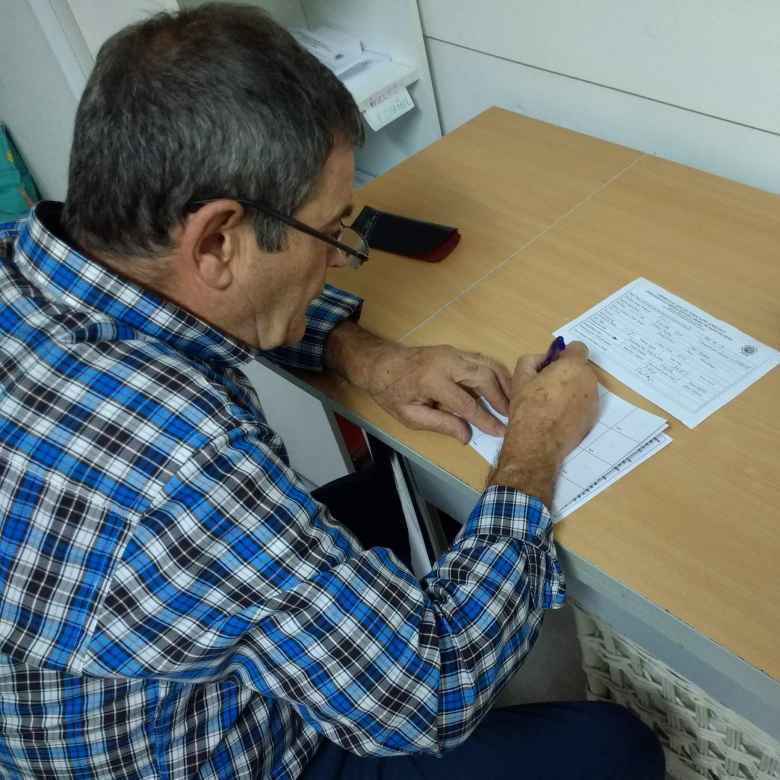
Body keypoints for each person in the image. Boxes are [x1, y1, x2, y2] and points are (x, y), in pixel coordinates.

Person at [0, 4, 664, 778]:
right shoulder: (183, 470)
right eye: (330, 231)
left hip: (93, 702)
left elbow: (205, 310)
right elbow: (430, 691)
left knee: (377, 520)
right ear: (217, 240)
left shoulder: (29, 262)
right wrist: (533, 448)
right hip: (235, 754)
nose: (343, 256)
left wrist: (365, 356)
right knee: (611, 750)